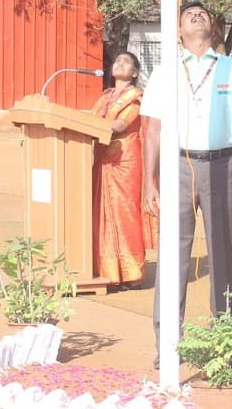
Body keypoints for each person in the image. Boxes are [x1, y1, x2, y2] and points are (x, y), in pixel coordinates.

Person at [140, 0, 232, 348]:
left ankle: (227, 337)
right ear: (178, 30)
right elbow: (152, 130)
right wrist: (150, 180)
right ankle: (168, 344)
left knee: (224, 251)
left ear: (214, 27)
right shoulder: (166, 71)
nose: (196, 15)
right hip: (178, 166)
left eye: (203, 13)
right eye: (188, 14)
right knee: (173, 254)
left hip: (223, 166)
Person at [90, 51, 154, 290]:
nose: (119, 63)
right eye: (117, 60)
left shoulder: (136, 98)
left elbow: (119, 125)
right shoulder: (105, 96)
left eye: (126, 62)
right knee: (103, 215)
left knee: (123, 214)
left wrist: (89, 124)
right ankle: (107, 270)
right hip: (102, 160)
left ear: (135, 73)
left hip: (124, 162)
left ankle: (131, 272)